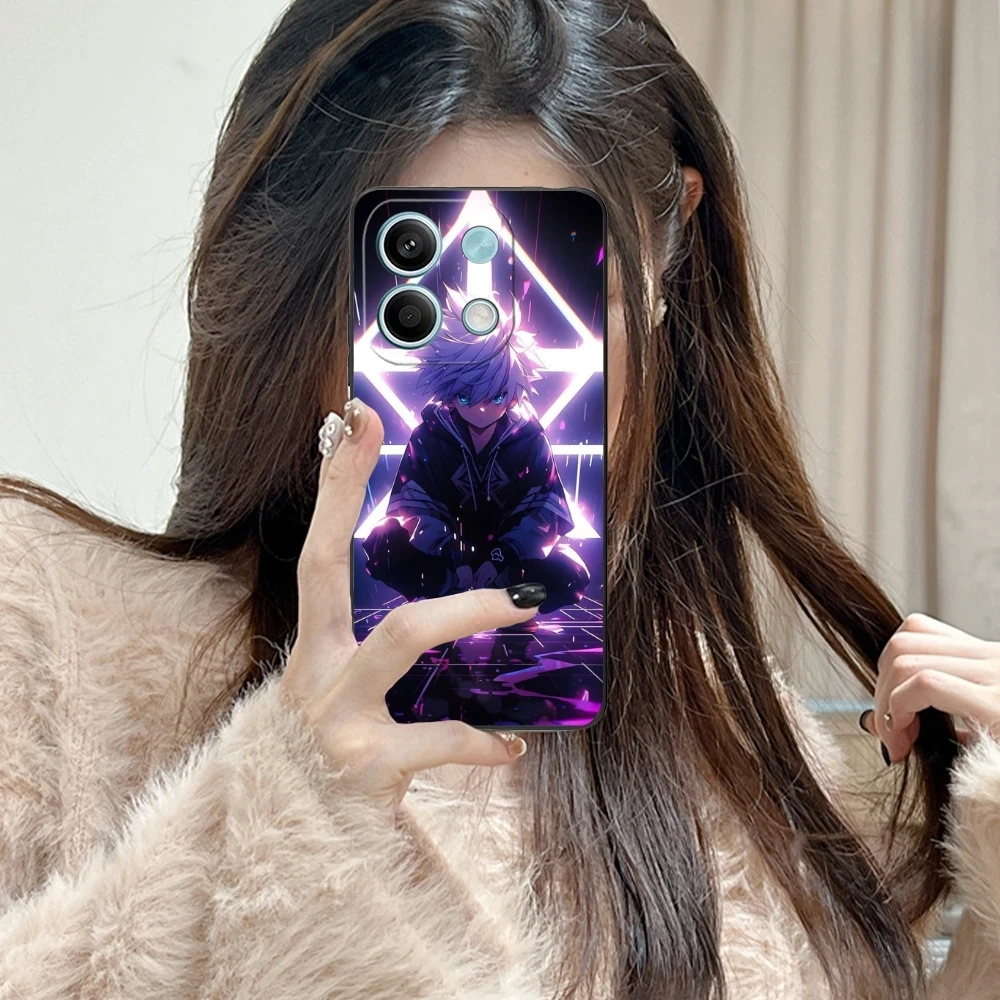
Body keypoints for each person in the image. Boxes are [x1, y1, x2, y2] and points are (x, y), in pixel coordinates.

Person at [1, 2, 999, 998]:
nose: (498, 371)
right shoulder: (54, 643)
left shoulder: (732, 736)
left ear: (665, 264)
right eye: (410, 300)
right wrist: (276, 818)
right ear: (290, 292)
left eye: (563, 291)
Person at [362, 287, 589, 614]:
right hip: (444, 562)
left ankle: (507, 601)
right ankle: (445, 595)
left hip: (512, 561)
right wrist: (453, 559)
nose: (481, 409)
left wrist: (502, 558)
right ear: (449, 393)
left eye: (496, 396)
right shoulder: (428, 437)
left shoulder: (530, 439)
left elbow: (546, 511)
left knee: (571, 574)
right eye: (467, 397)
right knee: (381, 544)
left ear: (513, 395)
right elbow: (412, 507)